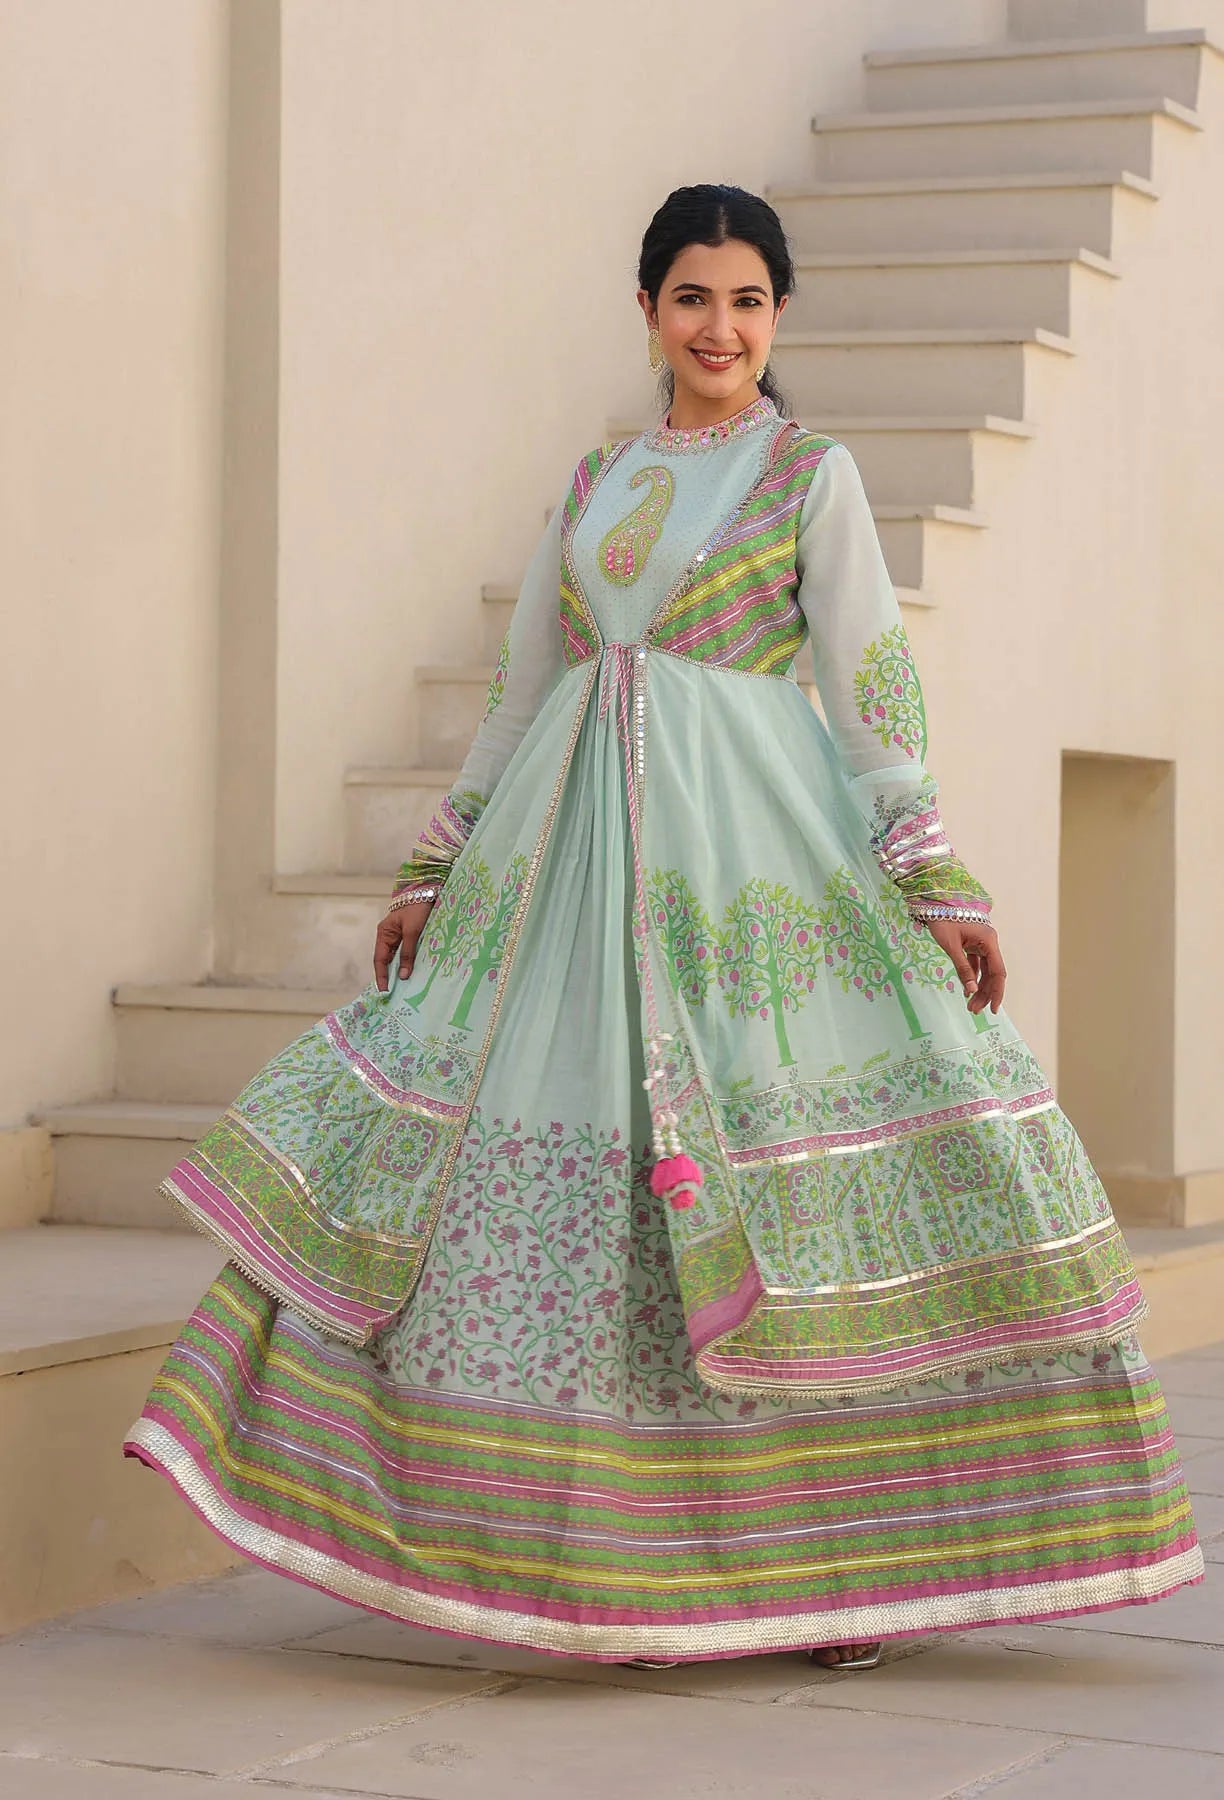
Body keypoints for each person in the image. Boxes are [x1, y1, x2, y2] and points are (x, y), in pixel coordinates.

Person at [124, 184, 1202, 1670]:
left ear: (779, 316)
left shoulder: (810, 473)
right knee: (583, 1200)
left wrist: (931, 871)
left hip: (750, 875)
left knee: (775, 1204)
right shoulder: (594, 482)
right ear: (647, 310)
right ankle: (620, 1574)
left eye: (749, 301)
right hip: (565, 875)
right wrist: (436, 863)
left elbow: (870, 682)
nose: (721, 328)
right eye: (694, 297)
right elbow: (521, 693)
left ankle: (841, 1577)